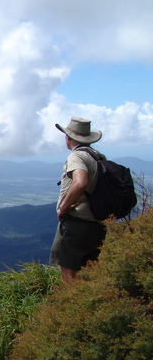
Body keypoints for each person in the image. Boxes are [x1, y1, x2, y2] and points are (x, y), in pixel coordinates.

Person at [49, 117, 107, 282]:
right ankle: (89, 306)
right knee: (88, 275)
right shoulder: (98, 157)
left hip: (78, 224)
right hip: (97, 225)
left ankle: (69, 306)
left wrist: (63, 207)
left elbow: (80, 182)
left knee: (69, 277)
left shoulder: (77, 157)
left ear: (68, 137)